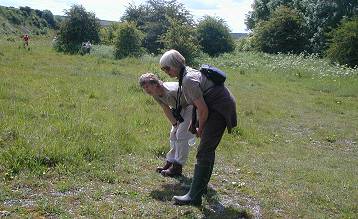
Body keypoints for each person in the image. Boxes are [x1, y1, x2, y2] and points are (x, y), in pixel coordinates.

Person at [159, 49, 237, 206]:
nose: (165, 72)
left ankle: (194, 196)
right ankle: (200, 187)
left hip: (219, 109)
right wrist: (193, 123)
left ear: (175, 65)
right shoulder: (186, 74)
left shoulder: (188, 79)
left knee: (204, 151)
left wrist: (200, 128)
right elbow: (197, 104)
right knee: (207, 150)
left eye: (166, 68)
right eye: (163, 69)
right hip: (215, 106)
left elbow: (203, 109)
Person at [139, 73, 195, 177]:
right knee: (173, 134)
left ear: (155, 84)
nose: (146, 90)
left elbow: (193, 99)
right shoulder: (155, 93)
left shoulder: (171, 90)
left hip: (192, 105)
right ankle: (170, 162)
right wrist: (174, 123)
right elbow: (165, 108)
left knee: (182, 134)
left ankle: (178, 166)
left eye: (147, 86)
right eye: (143, 87)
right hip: (180, 108)